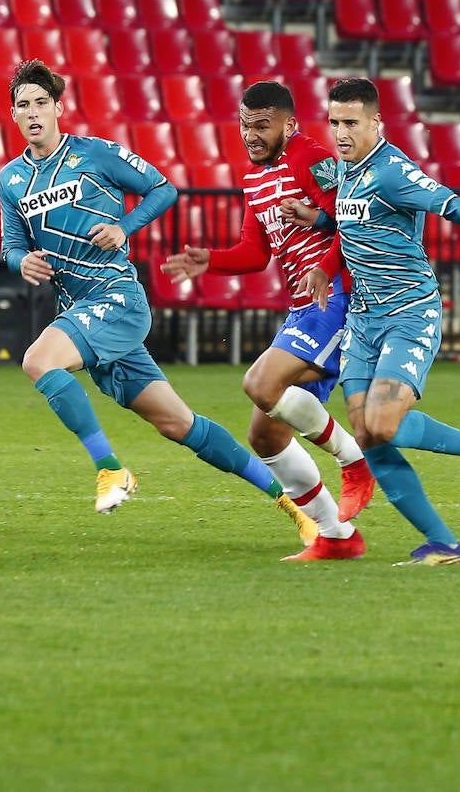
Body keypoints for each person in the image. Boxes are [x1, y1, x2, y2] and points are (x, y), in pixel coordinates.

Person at [0, 59, 318, 546]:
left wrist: (123, 227)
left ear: (59, 108)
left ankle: (111, 471)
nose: (34, 112)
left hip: (116, 299)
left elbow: (163, 189)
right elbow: (11, 244)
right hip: (78, 309)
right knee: (177, 423)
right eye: (24, 106)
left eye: (42, 102)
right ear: (14, 116)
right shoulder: (10, 179)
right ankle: (292, 507)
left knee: (39, 361)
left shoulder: (96, 154)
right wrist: (21, 262)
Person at [301, 77, 460, 566]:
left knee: (383, 425)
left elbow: (452, 203)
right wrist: (319, 228)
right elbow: (356, 222)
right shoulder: (345, 170)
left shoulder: (393, 170)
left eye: (351, 123)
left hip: (409, 312)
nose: (341, 133)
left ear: (375, 123)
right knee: (365, 436)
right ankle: (443, 544)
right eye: (334, 122)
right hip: (364, 320)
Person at [160, 81, 375, 562]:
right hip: (302, 309)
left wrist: (326, 265)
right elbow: (255, 254)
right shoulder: (254, 177)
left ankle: (354, 462)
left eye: (262, 125)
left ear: (289, 124)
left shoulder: (310, 156)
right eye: (245, 125)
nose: (251, 135)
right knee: (265, 434)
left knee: (259, 383)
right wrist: (208, 261)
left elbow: (352, 218)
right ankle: (337, 536)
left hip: (337, 298)